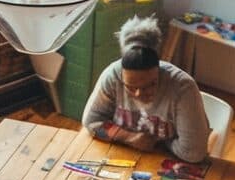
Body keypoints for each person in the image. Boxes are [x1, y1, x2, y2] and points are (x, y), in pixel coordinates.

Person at [82, 16, 211, 163]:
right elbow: (91, 121)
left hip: (166, 162)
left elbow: (194, 152)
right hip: (123, 155)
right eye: (130, 87)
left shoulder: (183, 88)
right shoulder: (113, 75)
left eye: (149, 85)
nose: (138, 94)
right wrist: (130, 137)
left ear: (159, 71)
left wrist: (156, 143)